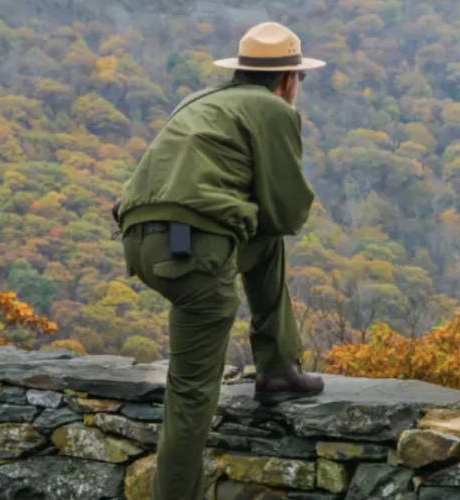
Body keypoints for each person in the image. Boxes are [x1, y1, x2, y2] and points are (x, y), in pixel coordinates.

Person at [114, 22, 326, 499]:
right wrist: (255, 209)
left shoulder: (201, 102)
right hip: (191, 250)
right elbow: (287, 211)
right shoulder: (273, 109)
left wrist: (247, 214)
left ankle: (277, 369)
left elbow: (266, 226)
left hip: (143, 240)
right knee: (190, 396)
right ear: (289, 79)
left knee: (264, 241)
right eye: (299, 79)